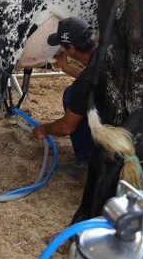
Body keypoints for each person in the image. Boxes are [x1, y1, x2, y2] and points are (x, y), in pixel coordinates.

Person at [31, 17, 97, 175]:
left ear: (72, 49)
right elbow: (92, 78)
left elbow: (66, 127)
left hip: (118, 127)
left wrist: (44, 129)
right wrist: (66, 67)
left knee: (71, 94)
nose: (61, 50)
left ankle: (84, 161)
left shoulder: (85, 81)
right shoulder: (104, 53)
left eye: (63, 47)